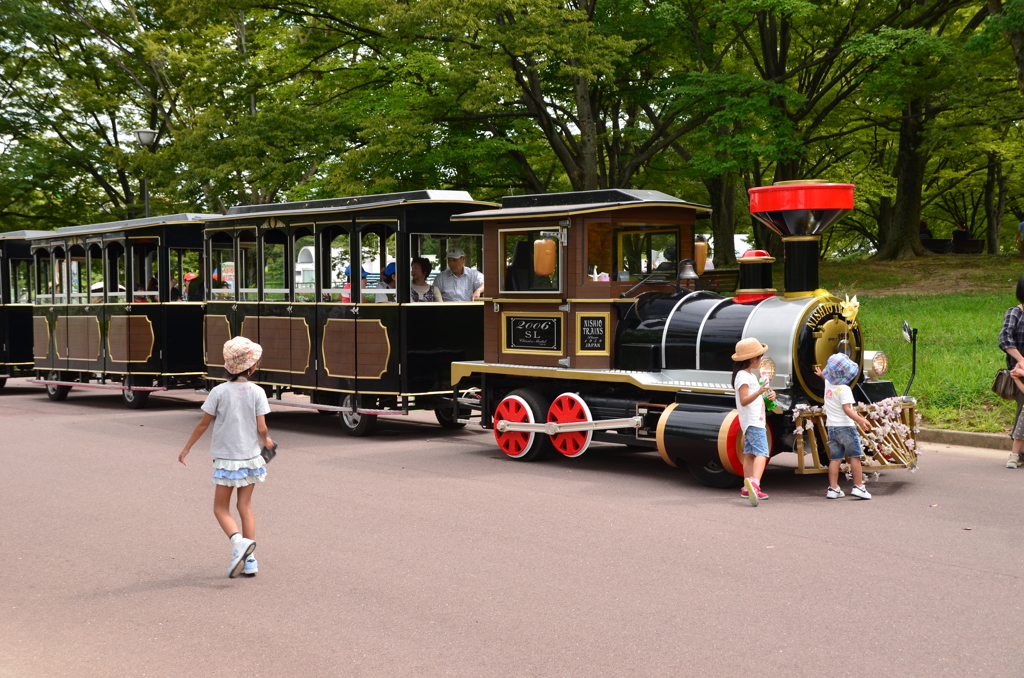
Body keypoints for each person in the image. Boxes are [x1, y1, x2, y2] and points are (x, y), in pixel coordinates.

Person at [178, 336, 273, 578]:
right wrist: (267, 442)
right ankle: (250, 560)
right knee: (246, 506)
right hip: (251, 458)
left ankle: (238, 542)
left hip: (227, 460)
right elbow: (261, 427)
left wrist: (187, 447)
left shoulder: (219, 392)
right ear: (251, 367)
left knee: (220, 508)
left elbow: (203, 424)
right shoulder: (258, 392)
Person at [814, 354, 874, 500]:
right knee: (855, 456)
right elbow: (847, 409)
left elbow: (827, 379)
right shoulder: (845, 389)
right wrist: (860, 420)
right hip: (846, 427)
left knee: (835, 458)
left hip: (832, 428)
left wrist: (822, 375)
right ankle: (859, 486)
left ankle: (833, 488)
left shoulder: (829, 384)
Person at [731, 337, 776, 506]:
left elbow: (758, 396)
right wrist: (759, 393)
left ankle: (746, 486)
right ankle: (755, 484)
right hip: (753, 421)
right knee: (762, 453)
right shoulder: (743, 376)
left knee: (749, 454)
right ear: (751, 359)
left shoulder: (748, 375)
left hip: (752, 421)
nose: (760, 360)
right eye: (759, 357)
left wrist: (769, 394)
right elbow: (744, 400)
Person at [999, 275, 1024, 468]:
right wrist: (1021, 360)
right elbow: (1005, 340)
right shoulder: (1015, 313)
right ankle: (1017, 453)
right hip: (1019, 369)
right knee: (1023, 410)